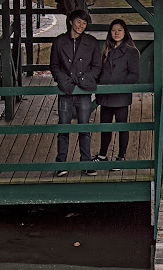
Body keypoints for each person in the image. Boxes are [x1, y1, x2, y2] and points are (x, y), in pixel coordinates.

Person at [50, 9, 100, 177]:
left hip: (83, 91)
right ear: (71, 21)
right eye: (79, 22)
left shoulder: (92, 42)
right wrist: (66, 82)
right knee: (63, 127)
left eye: (84, 23)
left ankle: (86, 163)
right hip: (66, 91)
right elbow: (54, 67)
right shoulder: (58, 42)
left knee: (84, 127)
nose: (81, 26)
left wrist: (83, 81)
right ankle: (61, 163)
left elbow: (96, 67)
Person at [93, 19, 140, 169]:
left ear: (125, 32)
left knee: (122, 126)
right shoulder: (105, 49)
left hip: (120, 95)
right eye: (113, 30)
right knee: (105, 126)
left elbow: (134, 75)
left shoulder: (131, 51)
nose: (116, 33)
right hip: (106, 95)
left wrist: (119, 86)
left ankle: (121, 157)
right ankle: (102, 155)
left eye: (119, 30)